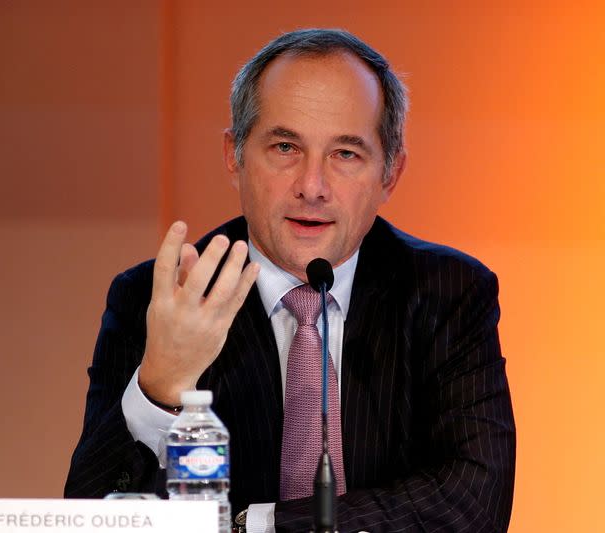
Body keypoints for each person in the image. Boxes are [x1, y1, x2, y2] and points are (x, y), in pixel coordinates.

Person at [64, 28, 516, 532]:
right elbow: (92, 515)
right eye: (284, 147)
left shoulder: (449, 293)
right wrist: (161, 386)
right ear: (234, 157)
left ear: (391, 173)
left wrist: (261, 526)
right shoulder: (161, 298)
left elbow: (473, 503)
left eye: (346, 154)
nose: (312, 187)